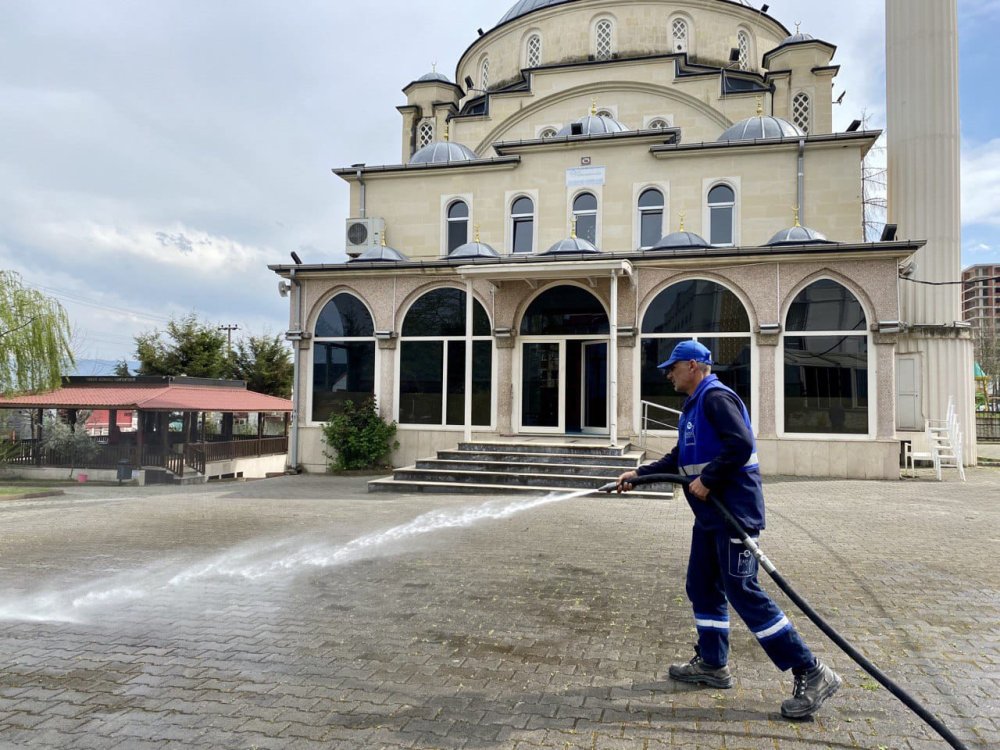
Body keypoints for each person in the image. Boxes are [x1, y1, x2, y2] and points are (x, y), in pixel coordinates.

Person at [616, 339, 841, 719]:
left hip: (733, 513)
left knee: (744, 592)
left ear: (693, 366)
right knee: (701, 584)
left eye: (672, 367)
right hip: (710, 519)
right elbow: (679, 458)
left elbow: (740, 445)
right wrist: (639, 475)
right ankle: (712, 663)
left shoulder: (716, 398)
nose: (668, 374)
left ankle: (811, 670)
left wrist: (710, 478)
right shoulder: (693, 406)